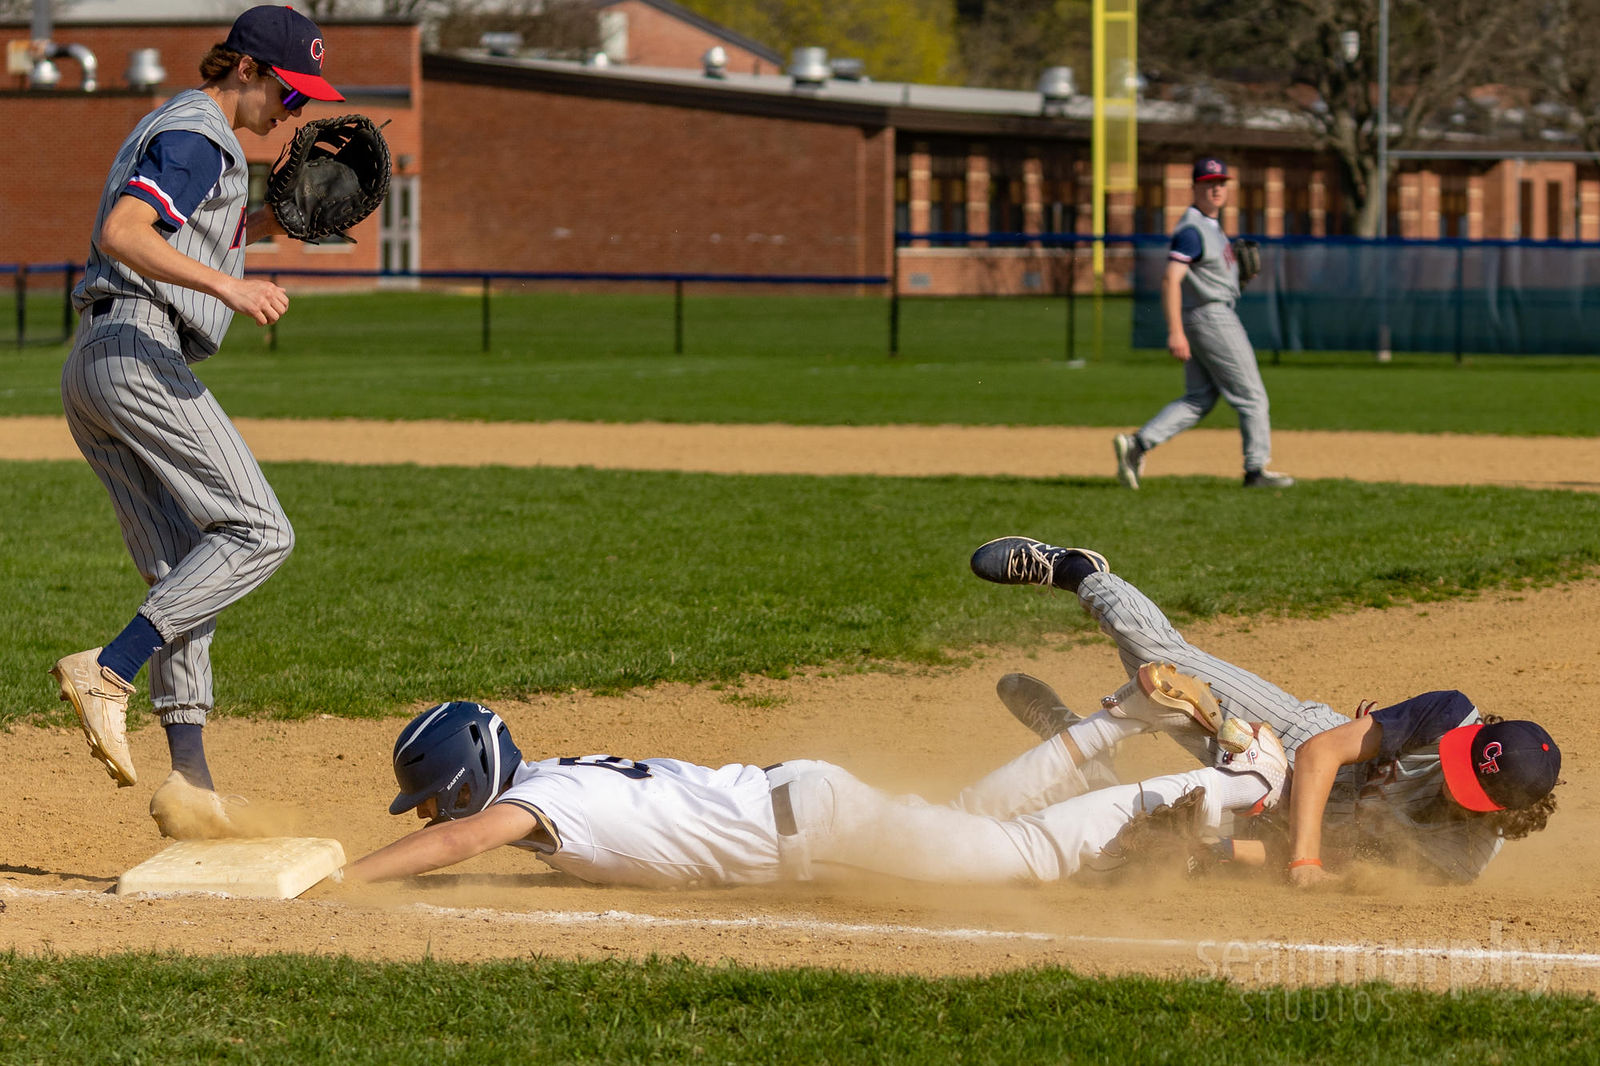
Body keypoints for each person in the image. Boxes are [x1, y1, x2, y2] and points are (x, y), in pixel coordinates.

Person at [48, 5, 345, 837]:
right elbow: (125, 231)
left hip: (96, 360)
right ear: (245, 69)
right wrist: (230, 287)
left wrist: (261, 229)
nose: (294, 114)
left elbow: (181, 229)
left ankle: (190, 784)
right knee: (259, 529)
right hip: (140, 350)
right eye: (290, 95)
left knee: (185, 568)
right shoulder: (201, 137)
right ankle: (110, 669)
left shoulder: (184, 133)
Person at [967, 536, 1562, 886]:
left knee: (1124, 857)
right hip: (1303, 739)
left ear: (1503, 812)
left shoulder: (1457, 860)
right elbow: (1323, 752)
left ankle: (1072, 740)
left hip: (1289, 822)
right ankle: (1076, 570)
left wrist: (1216, 854)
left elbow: (1333, 859)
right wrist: (1306, 856)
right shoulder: (1450, 714)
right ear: (1480, 733)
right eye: (1461, 763)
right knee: (1165, 667)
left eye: (1469, 787)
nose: (1451, 779)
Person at [346, 691, 1290, 888]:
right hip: (803, 800)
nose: (430, 815)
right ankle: (1116, 719)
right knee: (962, 822)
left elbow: (458, 843)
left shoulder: (533, 811)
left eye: (430, 798)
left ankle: (1248, 776)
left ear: (467, 783)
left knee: (1030, 855)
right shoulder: (555, 778)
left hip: (810, 833)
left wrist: (354, 877)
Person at [1113, 156, 1293, 490]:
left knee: (1200, 397)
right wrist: (1175, 332)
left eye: (1221, 183)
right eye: (1209, 183)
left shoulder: (1210, 227)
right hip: (1212, 317)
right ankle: (1256, 471)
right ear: (1195, 187)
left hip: (1210, 312)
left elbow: (1207, 278)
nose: (1216, 189)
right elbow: (1170, 279)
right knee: (1252, 396)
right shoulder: (1193, 231)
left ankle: (1137, 445)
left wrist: (1240, 277)